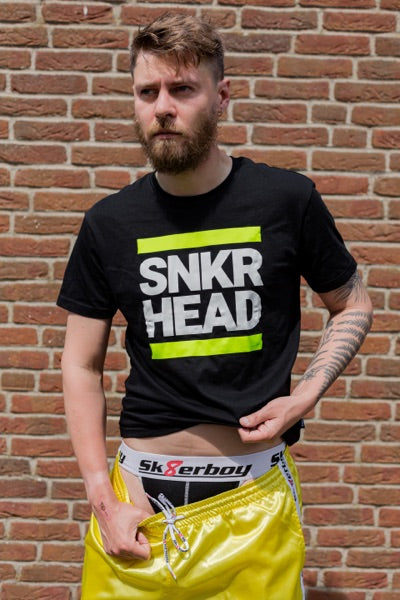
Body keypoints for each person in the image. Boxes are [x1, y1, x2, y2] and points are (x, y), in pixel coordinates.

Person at [57, 13, 373, 600]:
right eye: (147, 92)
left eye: (182, 89)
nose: (163, 107)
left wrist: (306, 395)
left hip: (253, 503)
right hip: (139, 507)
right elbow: (80, 363)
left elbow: (351, 303)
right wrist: (102, 498)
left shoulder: (286, 200)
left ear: (221, 95)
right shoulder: (108, 223)